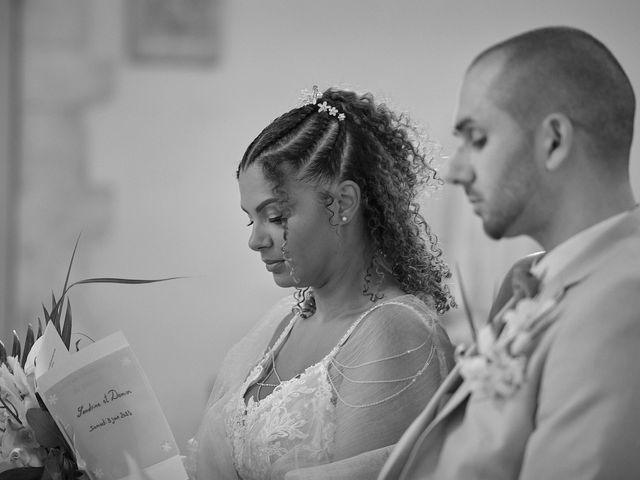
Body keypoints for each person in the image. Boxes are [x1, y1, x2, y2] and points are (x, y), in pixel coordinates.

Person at [378, 26, 640, 479]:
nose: (456, 172)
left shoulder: (621, 301)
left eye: (476, 139)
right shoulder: (537, 278)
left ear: (553, 141)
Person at [186, 87, 455, 479]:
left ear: (344, 204)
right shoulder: (284, 321)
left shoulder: (394, 331)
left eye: (275, 216)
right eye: (251, 219)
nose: (256, 240)